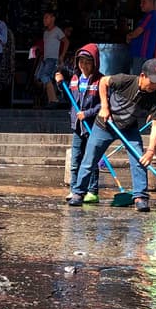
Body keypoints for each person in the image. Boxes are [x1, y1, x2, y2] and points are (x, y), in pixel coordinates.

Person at [68, 59, 156, 212]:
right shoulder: (125, 80)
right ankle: (78, 192)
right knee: (89, 159)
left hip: (129, 128)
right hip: (105, 124)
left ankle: (140, 197)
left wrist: (151, 150)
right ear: (142, 76)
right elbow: (103, 82)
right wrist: (105, 107)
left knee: (139, 159)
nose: (155, 86)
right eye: (153, 81)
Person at [56, 44, 102, 203]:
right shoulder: (75, 78)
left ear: (94, 63)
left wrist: (87, 113)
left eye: (88, 62)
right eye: (81, 62)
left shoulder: (100, 80)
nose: (84, 65)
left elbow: (103, 105)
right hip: (77, 126)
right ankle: (75, 189)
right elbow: (68, 97)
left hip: (93, 126)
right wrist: (60, 84)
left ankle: (92, 191)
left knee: (91, 159)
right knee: (75, 159)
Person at [36, 10, 68, 107]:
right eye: (44, 18)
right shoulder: (45, 33)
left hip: (53, 59)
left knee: (45, 76)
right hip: (46, 59)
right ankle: (51, 99)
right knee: (40, 77)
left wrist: (62, 55)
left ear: (53, 18)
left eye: (47, 17)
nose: (44, 20)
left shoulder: (57, 30)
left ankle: (53, 100)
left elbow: (66, 42)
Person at [126, 0, 156, 64]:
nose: (141, 5)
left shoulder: (151, 15)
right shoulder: (146, 16)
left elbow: (138, 31)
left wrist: (129, 36)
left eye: (144, 2)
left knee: (138, 74)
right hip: (139, 54)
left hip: (142, 54)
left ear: (150, 2)